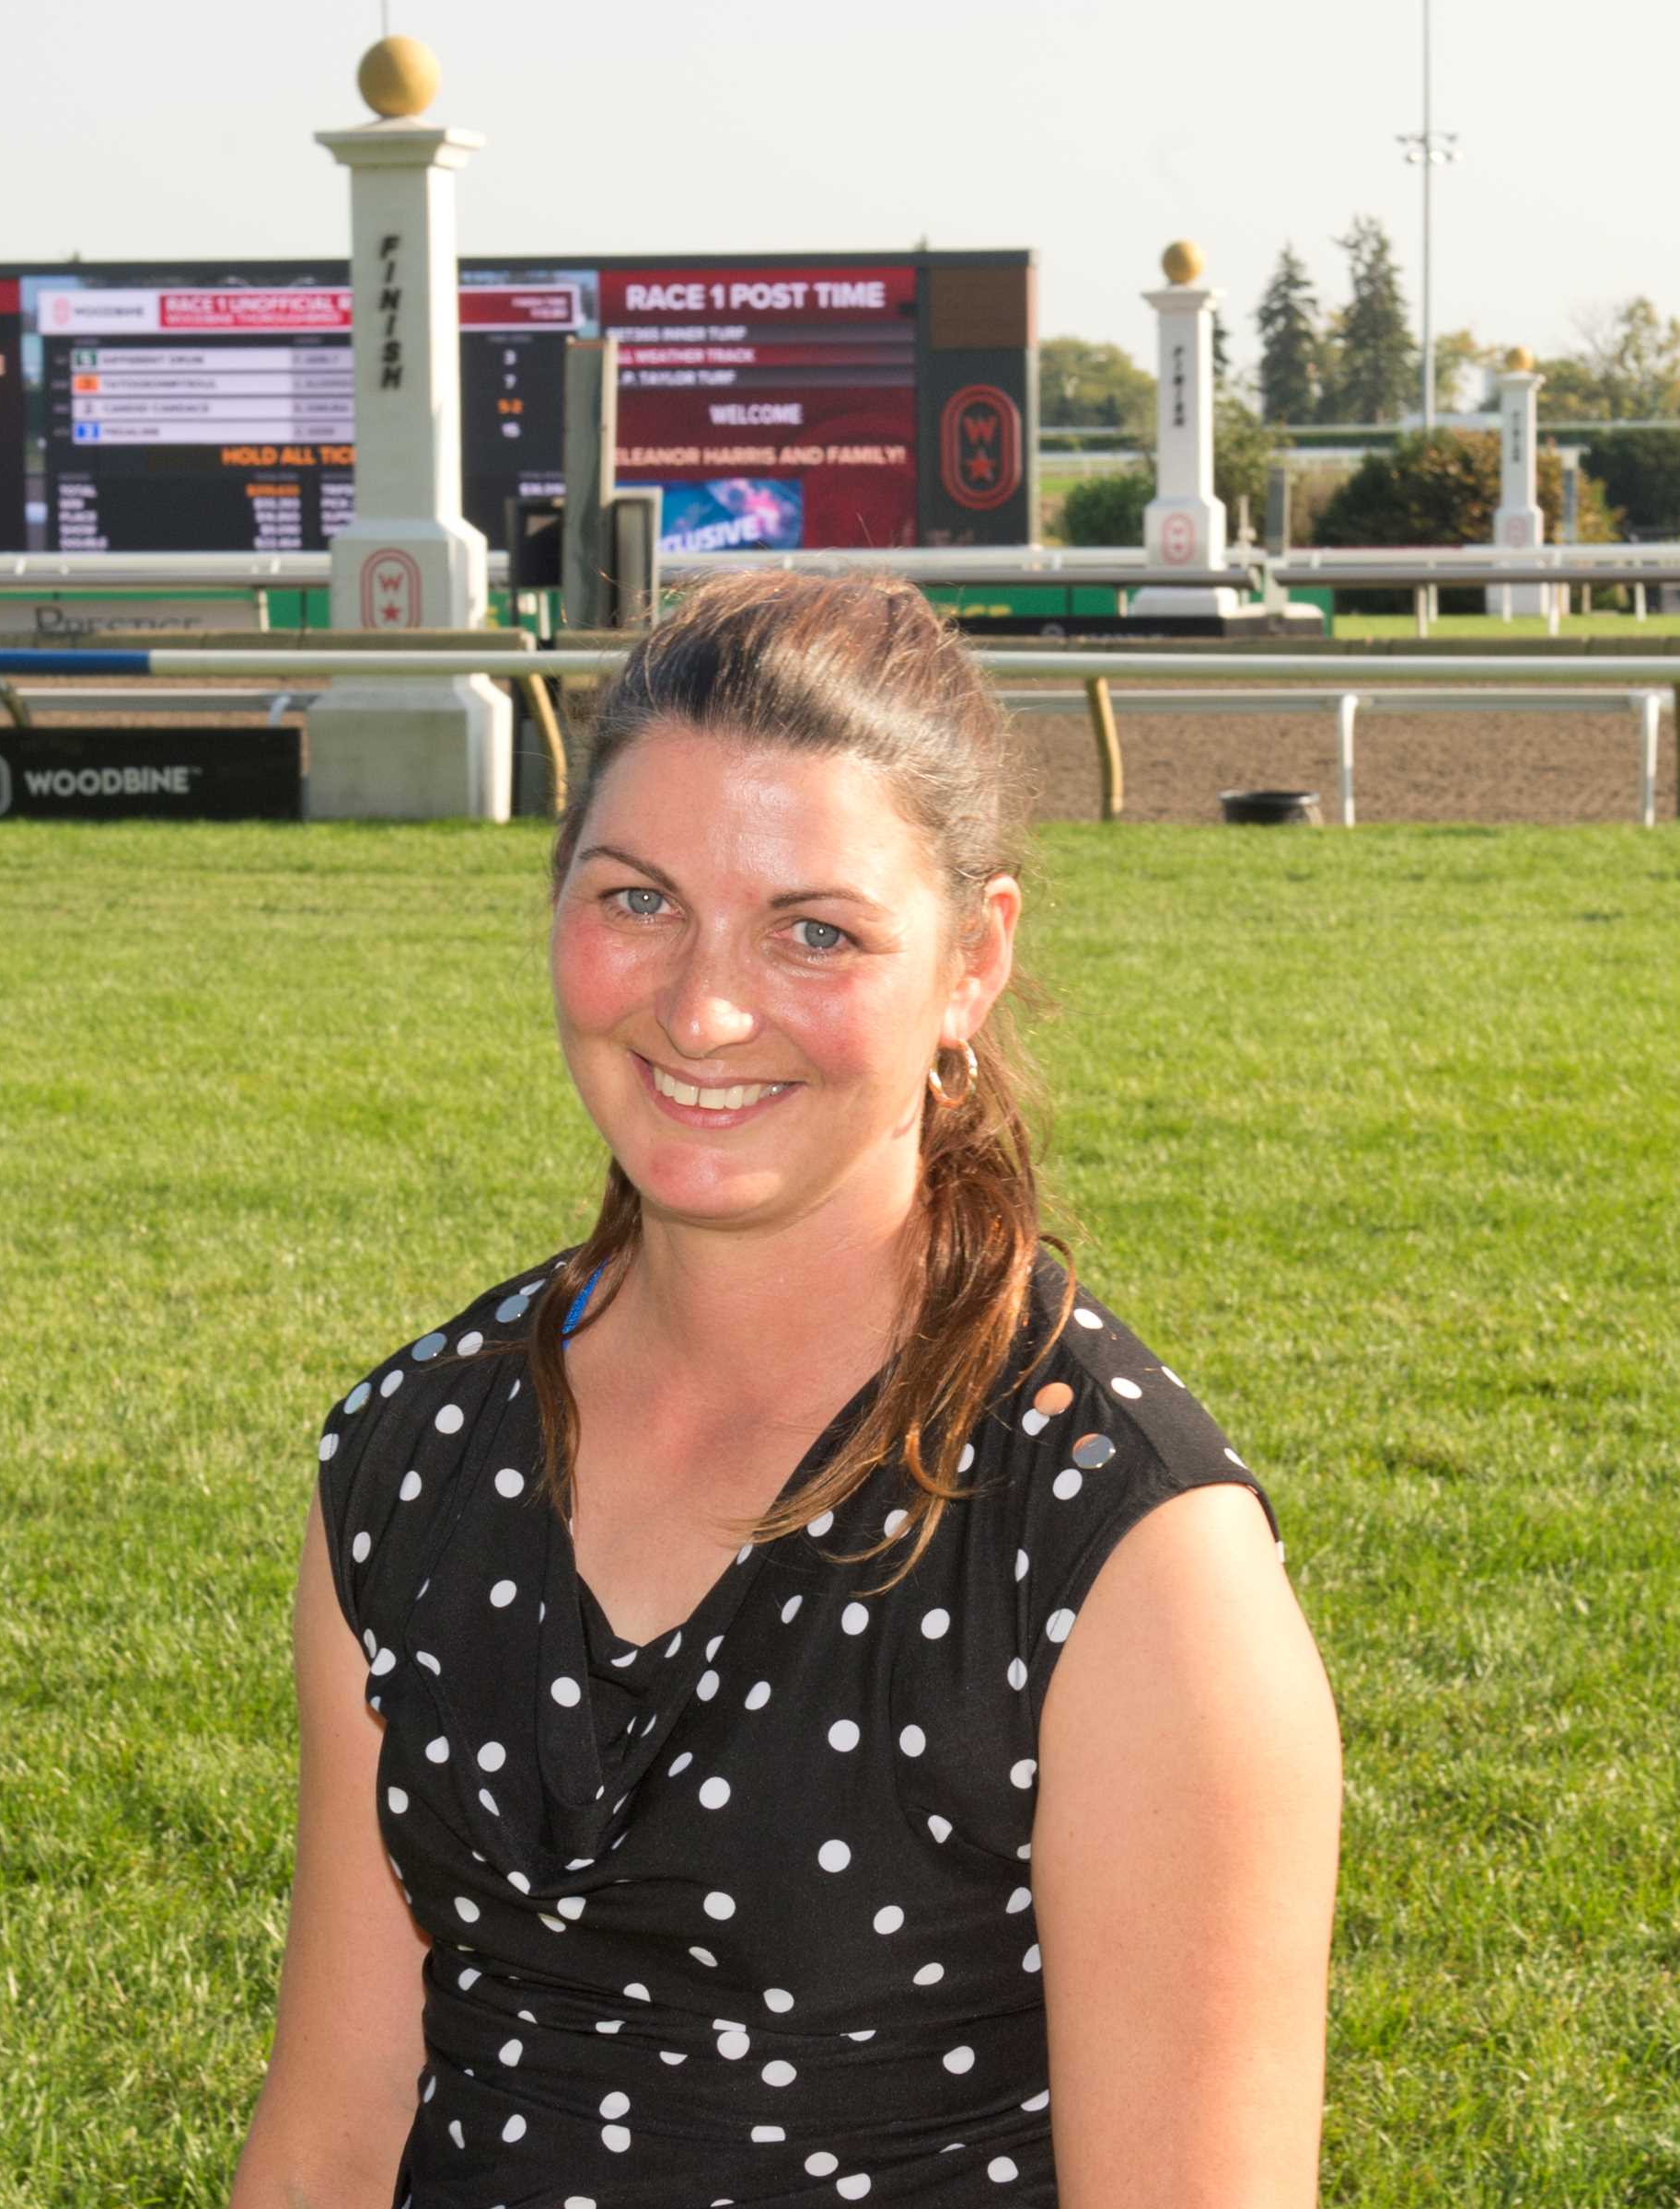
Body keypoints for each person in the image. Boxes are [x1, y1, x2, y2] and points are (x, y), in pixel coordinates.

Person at [231, 571, 1341, 2209]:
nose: (704, 1007)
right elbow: (334, 2129)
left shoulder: (1123, 1558)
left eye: (813, 931)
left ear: (971, 964)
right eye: (637, 901)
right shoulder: (413, 1455)